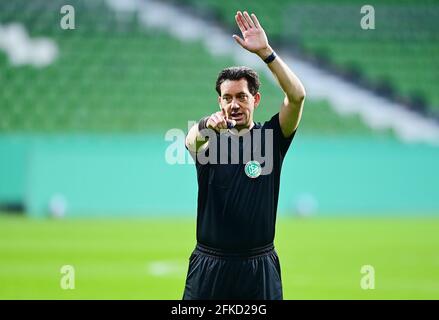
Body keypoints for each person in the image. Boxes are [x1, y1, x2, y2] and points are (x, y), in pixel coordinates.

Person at [183, 10, 306, 300]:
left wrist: (266, 53)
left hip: (258, 267)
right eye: (227, 98)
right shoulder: (209, 140)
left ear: (256, 99)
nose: (234, 104)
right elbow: (190, 142)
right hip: (209, 266)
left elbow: (298, 96)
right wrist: (204, 125)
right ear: (219, 101)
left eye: (241, 96)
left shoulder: (272, 137)